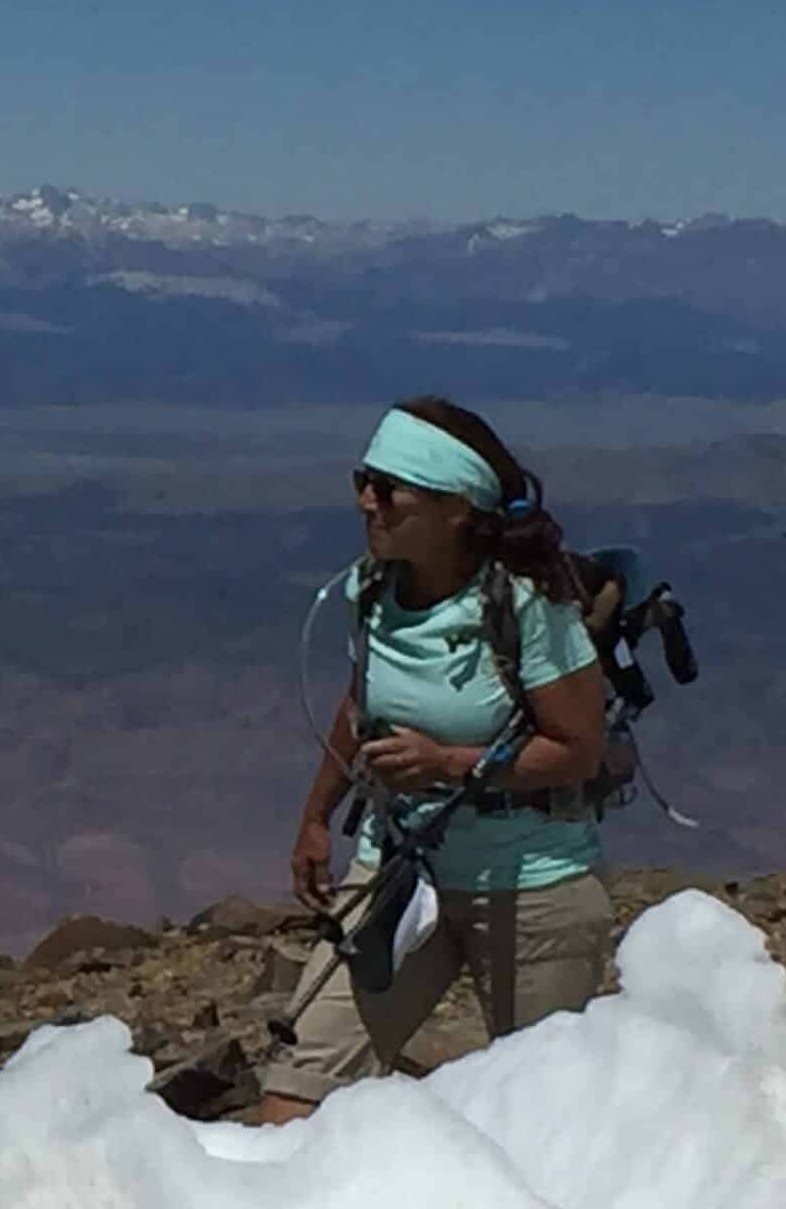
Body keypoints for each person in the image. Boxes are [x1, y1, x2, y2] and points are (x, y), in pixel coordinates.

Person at [255, 397, 610, 1123]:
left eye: (388, 489)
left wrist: (449, 762)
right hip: (400, 871)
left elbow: (577, 750)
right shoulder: (372, 589)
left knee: (538, 1120)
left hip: (528, 883)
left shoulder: (528, 606)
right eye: (364, 480)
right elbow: (361, 706)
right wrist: (316, 816)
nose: (366, 502)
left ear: (457, 507)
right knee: (298, 1085)